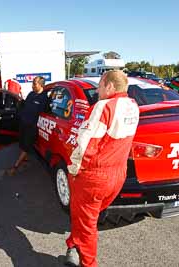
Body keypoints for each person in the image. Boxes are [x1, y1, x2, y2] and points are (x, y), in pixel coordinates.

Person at [65, 70, 139, 267]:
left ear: (109, 86)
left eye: (99, 85)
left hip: (95, 176)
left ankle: (88, 263)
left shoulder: (103, 106)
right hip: (118, 174)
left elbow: (86, 144)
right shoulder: (132, 105)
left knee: (87, 223)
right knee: (88, 216)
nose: (97, 90)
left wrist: (73, 169)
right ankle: (74, 244)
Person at [7, 76, 47, 176]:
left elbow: (46, 112)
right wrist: (20, 102)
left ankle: (14, 168)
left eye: (34, 83)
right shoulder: (31, 94)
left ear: (41, 85)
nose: (32, 85)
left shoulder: (44, 98)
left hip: (32, 127)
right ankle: (25, 160)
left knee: (26, 147)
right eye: (33, 83)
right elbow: (25, 105)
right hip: (23, 123)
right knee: (21, 143)